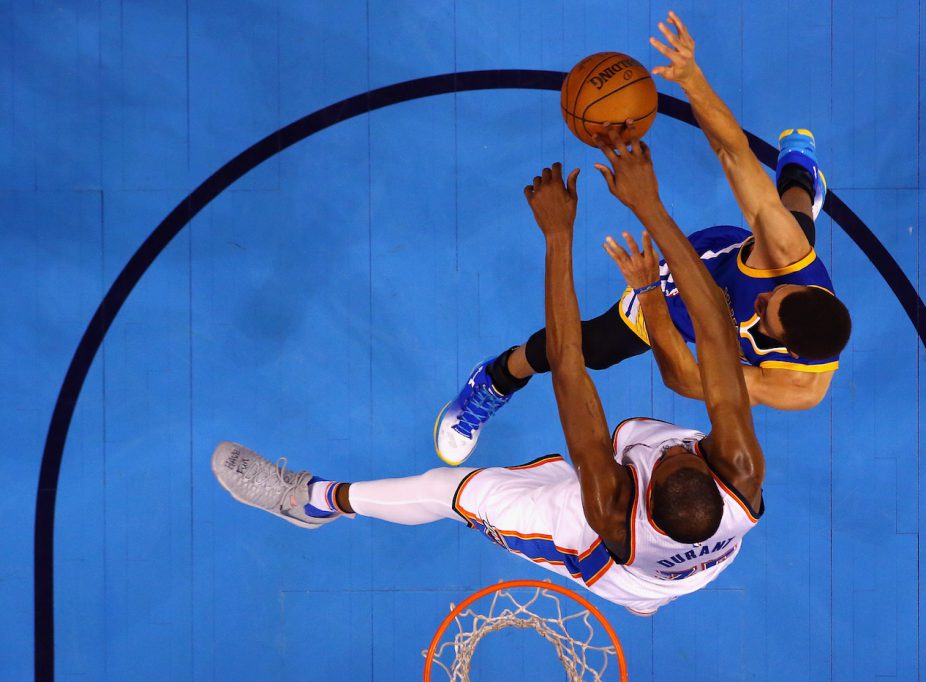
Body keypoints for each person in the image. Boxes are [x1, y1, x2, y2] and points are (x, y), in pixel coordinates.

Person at [212, 145, 767, 615]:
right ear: (712, 468)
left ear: (642, 488)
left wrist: (557, 235)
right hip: (697, 552)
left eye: (664, 460)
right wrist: (649, 207)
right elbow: (716, 330)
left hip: (615, 564)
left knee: (447, 489)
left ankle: (312, 502)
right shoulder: (739, 471)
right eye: (684, 452)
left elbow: (568, 363)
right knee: (633, 428)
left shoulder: (607, 505)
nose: (669, 449)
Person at [434, 10, 850, 466]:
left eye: (766, 312)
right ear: (804, 286)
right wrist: (692, 78)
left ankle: (492, 380)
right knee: (789, 224)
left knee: (589, 348)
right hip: (711, 260)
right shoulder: (788, 262)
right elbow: (734, 154)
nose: (761, 300)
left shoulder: (797, 386)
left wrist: (651, 294)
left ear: (785, 346)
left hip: (685, 318)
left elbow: (688, 380)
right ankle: (798, 173)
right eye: (775, 295)